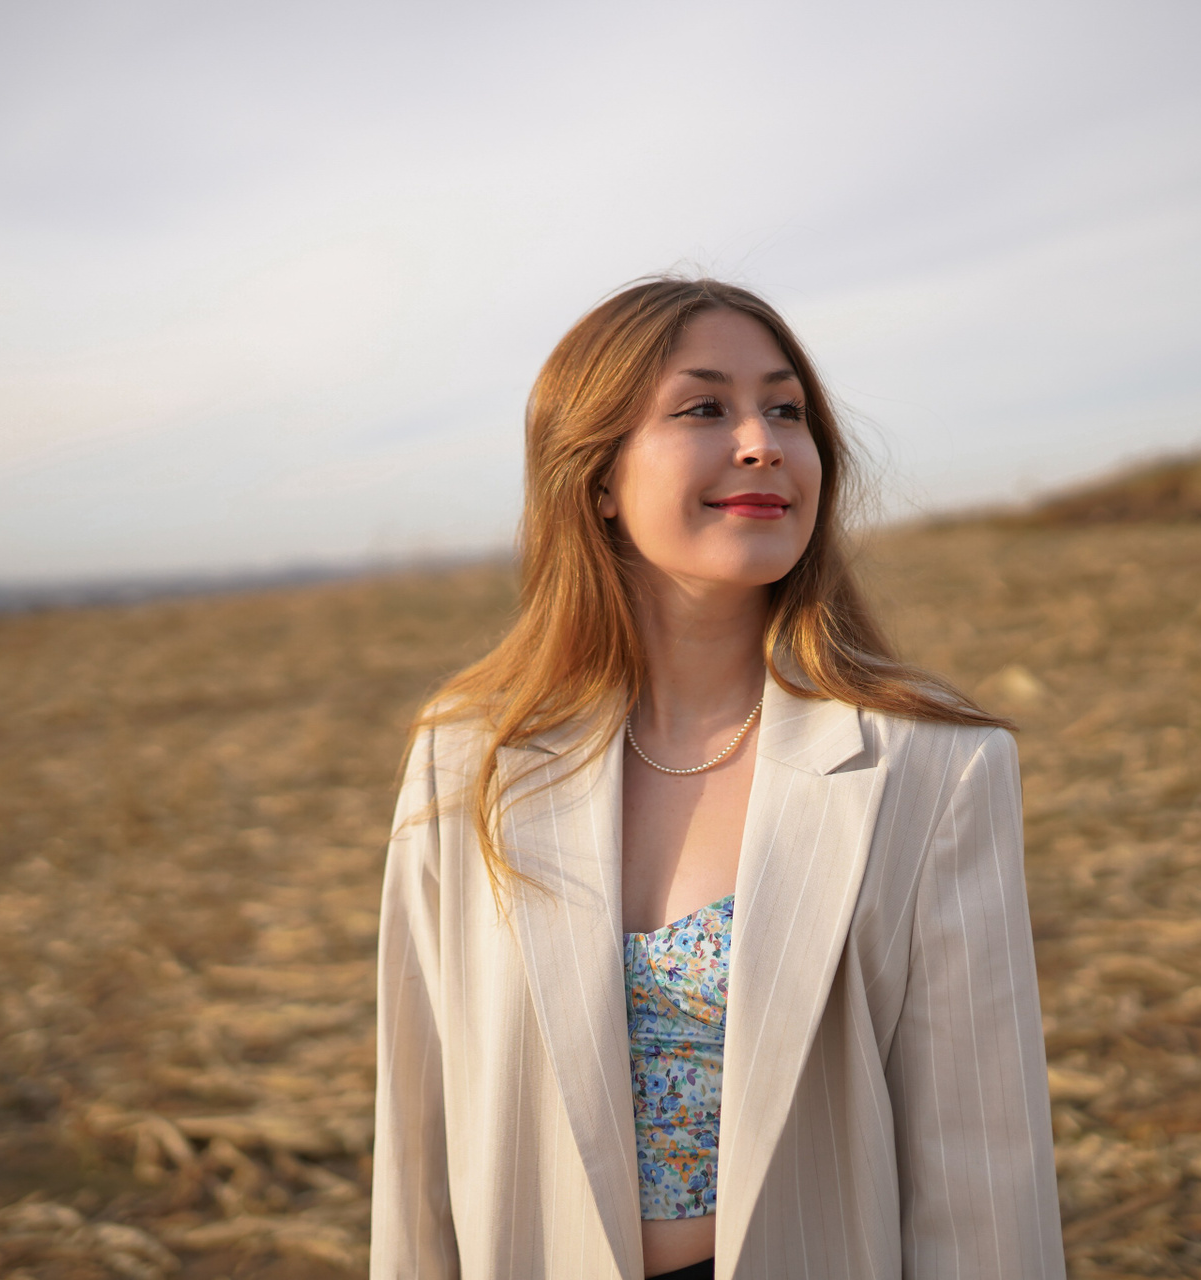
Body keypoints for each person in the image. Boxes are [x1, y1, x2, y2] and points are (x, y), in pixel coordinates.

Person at [372, 277, 1064, 1280]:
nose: (761, 442)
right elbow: (419, 1134)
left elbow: (983, 1172)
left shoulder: (932, 765)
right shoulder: (468, 753)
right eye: (704, 407)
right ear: (597, 477)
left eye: (787, 410)